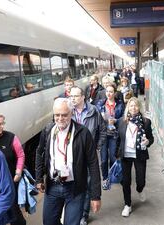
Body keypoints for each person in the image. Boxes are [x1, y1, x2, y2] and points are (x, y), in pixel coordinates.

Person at [35, 98, 102, 225]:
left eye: (64, 115)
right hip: (53, 187)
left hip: (75, 189)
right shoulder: (48, 130)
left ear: (71, 113)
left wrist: (95, 195)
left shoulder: (83, 133)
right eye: (57, 115)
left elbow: (93, 164)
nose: (60, 118)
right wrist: (38, 178)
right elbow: (39, 152)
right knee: (49, 222)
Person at [69, 86, 106, 225]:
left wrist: (97, 146)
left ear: (83, 97)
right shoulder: (68, 112)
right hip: (72, 155)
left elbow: (102, 130)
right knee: (74, 183)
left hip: (88, 155)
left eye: (76, 96)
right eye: (71, 96)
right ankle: (74, 211)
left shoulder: (93, 111)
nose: (73, 98)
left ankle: (83, 214)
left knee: (87, 183)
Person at [116, 97, 154, 217]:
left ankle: (140, 189)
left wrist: (148, 142)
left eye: (136, 105)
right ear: (128, 107)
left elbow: (151, 138)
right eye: (131, 105)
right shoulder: (122, 121)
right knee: (126, 181)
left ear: (139, 107)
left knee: (141, 180)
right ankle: (127, 205)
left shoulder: (146, 122)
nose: (133, 108)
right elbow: (118, 139)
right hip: (125, 156)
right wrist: (116, 154)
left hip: (139, 155)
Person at [96, 83, 124, 190]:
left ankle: (112, 177)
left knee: (112, 157)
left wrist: (116, 121)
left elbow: (123, 118)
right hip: (103, 134)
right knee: (103, 159)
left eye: (111, 91)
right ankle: (105, 178)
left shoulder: (120, 104)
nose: (109, 93)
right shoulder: (100, 104)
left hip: (114, 134)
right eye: (107, 91)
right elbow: (97, 118)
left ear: (115, 93)